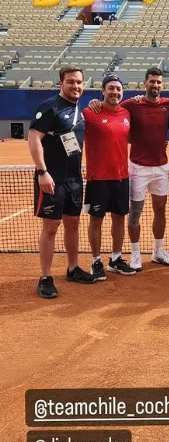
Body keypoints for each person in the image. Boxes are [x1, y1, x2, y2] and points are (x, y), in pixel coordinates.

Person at [89, 67, 169, 270]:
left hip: (161, 167)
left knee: (160, 209)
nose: (155, 85)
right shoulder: (131, 104)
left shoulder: (168, 105)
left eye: (158, 82)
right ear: (144, 83)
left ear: (162, 85)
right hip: (138, 167)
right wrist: (93, 102)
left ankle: (158, 251)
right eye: (152, 81)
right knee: (135, 213)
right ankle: (136, 254)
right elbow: (110, 108)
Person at [28, 64, 96, 299]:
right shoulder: (49, 107)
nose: (75, 86)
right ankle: (46, 277)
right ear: (61, 83)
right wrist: (42, 172)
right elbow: (34, 138)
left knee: (73, 224)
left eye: (79, 82)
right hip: (52, 179)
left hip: (74, 180)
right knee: (51, 227)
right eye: (70, 82)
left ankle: (72, 268)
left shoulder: (80, 110)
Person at [83, 74, 135, 279]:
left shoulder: (126, 113)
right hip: (98, 178)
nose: (115, 92)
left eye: (118, 89)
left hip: (122, 176)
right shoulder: (89, 112)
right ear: (103, 91)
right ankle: (96, 261)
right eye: (111, 88)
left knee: (119, 219)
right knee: (96, 221)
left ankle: (115, 259)